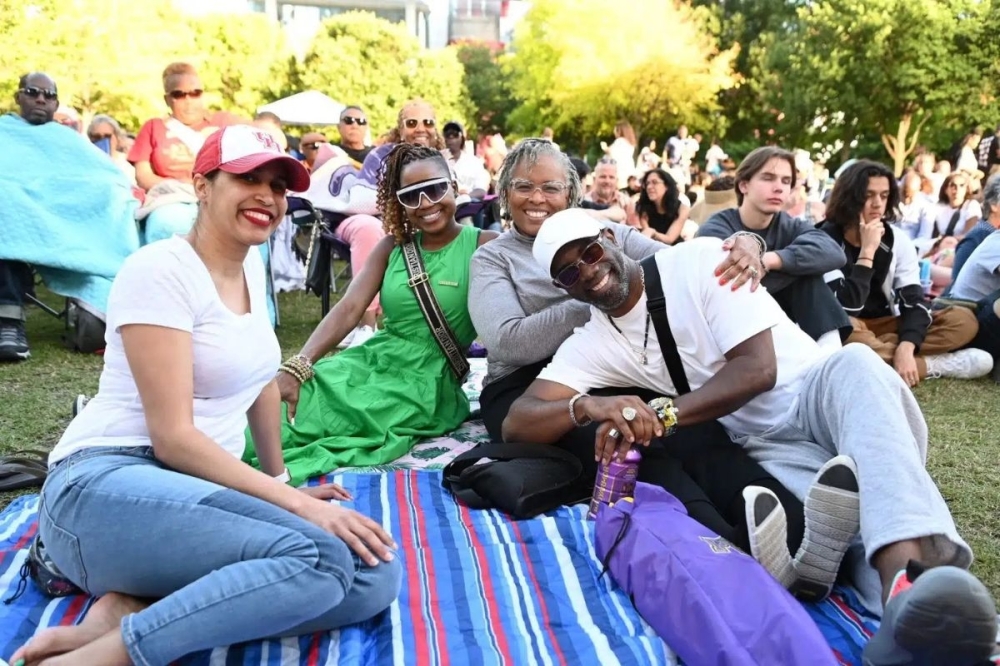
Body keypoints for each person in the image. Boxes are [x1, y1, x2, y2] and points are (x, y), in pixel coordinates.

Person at [505, 209, 999, 665]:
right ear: (564, 289)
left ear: (610, 238)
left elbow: (757, 371)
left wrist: (664, 414)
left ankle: (906, 593)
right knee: (855, 513)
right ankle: (909, 619)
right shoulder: (594, 341)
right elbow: (518, 420)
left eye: (589, 252)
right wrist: (585, 405)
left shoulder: (698, 262)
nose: (587, 271)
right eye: (569, 272)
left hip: (819, 392)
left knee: (859, 365)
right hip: (766, 443)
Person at [10, 125, 401, 666]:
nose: (268, 196)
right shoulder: (161, 269)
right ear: (202, 185)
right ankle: (104, 657)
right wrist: (289, 506)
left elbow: (261, 378)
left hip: (187, 493)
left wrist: (278, 483)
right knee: (319, 557)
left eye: (279, 185)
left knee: (373, 574)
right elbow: (172, 438)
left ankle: (131, 610)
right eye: (247, 178)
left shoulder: (250, 269)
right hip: (104, 484)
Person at [467, 140, 853, 590]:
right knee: (630, 443)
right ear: (504, 193)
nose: (537, 197)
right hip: (528, 381)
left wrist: (745, 243)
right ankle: (731, 551)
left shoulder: (604, 234)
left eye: (550, 186)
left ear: (571, 193)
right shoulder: (492, 256)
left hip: (614, 364)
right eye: (523, 187)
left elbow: (673, 267)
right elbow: (508, 341)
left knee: (691, 425)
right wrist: (596, 302)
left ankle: (797, 531)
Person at [263, 143, 497, 483]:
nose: (425, 204)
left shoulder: (484, 244)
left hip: (426, 383)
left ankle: (227, 459)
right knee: (300, 392)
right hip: (371, 360)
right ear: (398, 202)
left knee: (313, 420)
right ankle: (207, 444)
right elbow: (349, 308)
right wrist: (300, 364)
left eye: (434, 189)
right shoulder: (392, 247)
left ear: (454, 185)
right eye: (411, 196)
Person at [819, 160, 992, 386]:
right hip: (847, 325)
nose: (877, 204)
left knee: (964, 320)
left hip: (887, 322)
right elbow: (845, 307)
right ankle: (931, 365)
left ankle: (891, 356)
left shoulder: (897, 239)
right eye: (868, 195)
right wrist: (867, 251)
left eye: (883, 195)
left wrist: (907, 345)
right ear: (850, 197)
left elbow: (913, 300)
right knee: (845, 332)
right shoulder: (823, 239)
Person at [697, 147, 850, 348]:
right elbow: (728, 278)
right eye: (768, 178)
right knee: (804, 273)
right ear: (744, 185)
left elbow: (833, 252)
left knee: (809, 277)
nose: (778, 187)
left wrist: (770, 260)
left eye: (786, 181)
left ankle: (831, 356)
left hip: (784, 325)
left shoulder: (789, 224)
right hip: (732, 333)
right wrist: (794, 267)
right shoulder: (718, 226)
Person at [128, 62, 243, 244]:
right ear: (167, 99)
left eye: (195, 93)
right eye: (179, 94)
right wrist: (182, 187)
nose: (188, 100)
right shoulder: (153, 127)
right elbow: (143, 176)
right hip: (170, 199)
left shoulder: (224, 121)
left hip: (218, 196)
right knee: (168, 224)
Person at [1, 72, 60, 362]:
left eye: (48, 95)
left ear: (56, 104)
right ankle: (9, 323)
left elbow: (99, 179)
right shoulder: (3, 132)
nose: (41, 98)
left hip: (58, 220)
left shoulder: (67, 141)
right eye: (33, 91)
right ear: (18, 97)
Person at [635, 168, 689, 245]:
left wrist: (653, 233)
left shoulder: (682, 208)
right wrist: (650, 232)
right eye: (647, 184)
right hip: (651, 246)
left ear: (667, 186)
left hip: (674, 248)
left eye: (655, 182)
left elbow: (670, 239)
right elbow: (647, 234)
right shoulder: (643, 207)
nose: (649, 187)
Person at [443, 120, 490, 201]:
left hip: (469, 205)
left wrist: (463, 198)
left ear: (462, 137)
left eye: (455, 134)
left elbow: (481, 191)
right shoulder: (438, 161)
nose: (451, 137)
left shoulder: (474, 162)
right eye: (447, 134)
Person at [582, 157, 637, 226]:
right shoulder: (584, 201)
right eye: (603, 177)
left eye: (611, 177)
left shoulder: (627, 203)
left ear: (617, 180)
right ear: (594, 179)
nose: (607, 181)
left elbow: (636, 231)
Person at [87, 114, 137, 185]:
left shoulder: (127, 168)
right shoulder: (84, 164)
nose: (102, 140)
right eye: (97, 137)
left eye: (107, 136)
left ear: (117, 138)